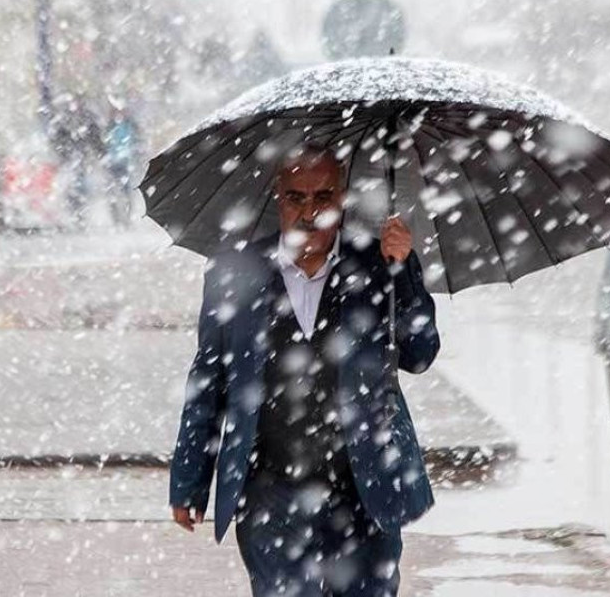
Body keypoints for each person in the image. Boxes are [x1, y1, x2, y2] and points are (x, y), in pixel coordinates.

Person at [168, 144, 441, 596]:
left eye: (323, 197)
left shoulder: (378, 264)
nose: (309, 212)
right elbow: (209, 381)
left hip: (363, 486)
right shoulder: (234, 273)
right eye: (296, 197)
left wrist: (404, 270)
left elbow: (420, 354)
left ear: (342, 199)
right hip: (269, 487)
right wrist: (189, 481)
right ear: (278, 197)